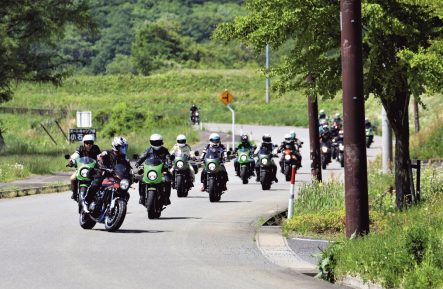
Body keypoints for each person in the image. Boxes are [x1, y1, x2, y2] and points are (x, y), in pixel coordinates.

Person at [82, 136, 130, 213]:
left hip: (116, 177)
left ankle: (117, 208)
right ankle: (87, 201)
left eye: (124, 147)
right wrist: (102, 166)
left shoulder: (124, 158)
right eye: (121, 147)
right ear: (115, 146)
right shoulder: (107, 153)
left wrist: (133, 175)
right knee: (96, 183)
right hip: (104, 173)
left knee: (126, 193)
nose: (123, 149)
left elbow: (129, 168)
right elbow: (99, 157)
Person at [135, 134, 172, 205]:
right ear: (151, 142)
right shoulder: (148, 150)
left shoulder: (164, 150)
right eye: (154, 142)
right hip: (150, 168)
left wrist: (169, 164)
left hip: (162, 169)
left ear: (161, 142)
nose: (156, 144)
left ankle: (167, 197)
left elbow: (168, 157)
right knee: (141, 179)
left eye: (158, 142)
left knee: (167, 180)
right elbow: (143, 156)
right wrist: (138, 163)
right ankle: (142, 196)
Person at [67, 134, 101, 200]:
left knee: (100, 180)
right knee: (72, 178)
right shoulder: (80, 148)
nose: (89, 144)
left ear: (93, 143)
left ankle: (98, 194)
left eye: (90, 142)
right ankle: (74, 193)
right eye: (87, 142)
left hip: (93, 170)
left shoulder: (96, 148)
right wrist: (71, 161)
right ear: (83, 143)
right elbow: (76, 155)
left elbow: (100, 157)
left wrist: (101, 162)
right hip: (82, 169)